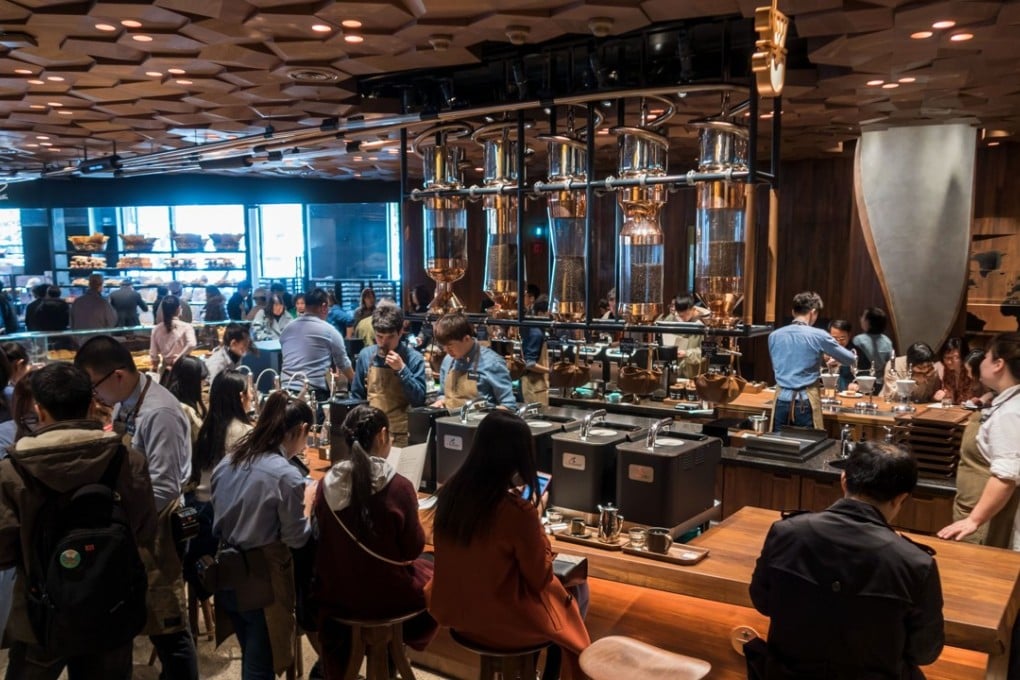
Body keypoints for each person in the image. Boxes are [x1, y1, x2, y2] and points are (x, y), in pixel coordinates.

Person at [0, 363, 157, 680]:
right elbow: (144, 528)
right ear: (90, 405)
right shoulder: (126, 459)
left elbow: (3, 550)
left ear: (39, 411)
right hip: (112, 605)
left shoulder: (12, 471)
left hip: (41, 612)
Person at [748, 441, 944, 679]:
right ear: (900, 498)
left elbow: (762, 602)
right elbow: (924, 652)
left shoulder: (786, 532)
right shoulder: (916, 563)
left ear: (843, 480)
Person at [427, 411, 591, 680]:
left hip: (456, 612)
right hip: (500, 623)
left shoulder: (450, 494)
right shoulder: (517, 512)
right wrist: (536, 523)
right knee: (577, 589)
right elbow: (539, 577)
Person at [74, 335, 200, 680]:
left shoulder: (159, 411)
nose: (93, 394)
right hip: (137, 523)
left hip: (158, 526)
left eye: (93, 385)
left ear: (117, 375)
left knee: (168, 624)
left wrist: (121, 525)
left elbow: (164, 487)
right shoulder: (125, 402)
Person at [314, 406, 438, 677]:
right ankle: (394, 656)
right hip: (387, 597)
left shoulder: (326, 485)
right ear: (383, 436)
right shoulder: (399, 486)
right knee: (435, 573)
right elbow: (413, 549)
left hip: (339, 595)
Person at [211, 391, 315, 678]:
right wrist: (308, 513)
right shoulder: (286, 475)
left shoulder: (230, 460)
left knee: (251, 652)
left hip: (227, 568)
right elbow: (296, 539)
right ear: (302, 429)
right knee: (260, 666)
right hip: (263, 579)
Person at [939, 333, 1020, 548]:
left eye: (986, 357)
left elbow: (1006, 476)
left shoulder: (1010, 413)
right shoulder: (1007, 401)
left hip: (989, 520)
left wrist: (974, 520)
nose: (981, 362)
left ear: (998, 364)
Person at [185, 369, 253, 602]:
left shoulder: (208, 428)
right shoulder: (244, 433)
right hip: (221, 522)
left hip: (199, 513)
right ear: (241, 396)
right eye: (249, 392)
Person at [767, 292, 855, 430]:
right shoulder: (818, 335)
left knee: (780, 447)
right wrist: (829, 354)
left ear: (793, 311)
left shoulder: (774, 336)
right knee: (807, 447)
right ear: (813, 312)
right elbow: (849, 359)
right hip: (805, 401)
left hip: (781, 400)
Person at [350, 302, 427, 446]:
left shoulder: (414, 358)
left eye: (390, 337)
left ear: (400, 333)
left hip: (400, 434)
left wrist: (402, 369)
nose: (384, 343)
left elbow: (419, 401)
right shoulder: (366, 355)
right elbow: (357, 396)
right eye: (379, 336)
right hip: (371, 431)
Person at [280, 288, 354, 402]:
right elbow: (343, 363)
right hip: (313, 394)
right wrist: (357, 386)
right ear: (324, 306)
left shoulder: (287, 329)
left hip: (284, 392)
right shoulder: (329, 331)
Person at [429, 312, 516, 410]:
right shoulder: (448, 360)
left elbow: (509, 406)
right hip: (449, 423)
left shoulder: (492, 362)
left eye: (450, 345)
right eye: (443, 346)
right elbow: (442, 394)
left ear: (466, 339)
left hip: (479, 424)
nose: (446, 350)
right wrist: (441, 401)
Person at [150, 295, 197, 381]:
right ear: (178, 309)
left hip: (165, 370)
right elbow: (192, 344)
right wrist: (178, 358)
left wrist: (154, 368)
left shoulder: (156, 329)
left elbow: (154, 355)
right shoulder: (186, 327)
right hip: (184, 367)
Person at [658, 293, 706, 379]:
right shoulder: (674, 317)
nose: (681, 319)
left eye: (683, 316)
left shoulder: (704, 323)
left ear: (693, 309)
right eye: (679, 315)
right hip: (678, 371)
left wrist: (686, 353)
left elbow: (706, 353)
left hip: (696, 374)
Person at [852, 306, 895, 393]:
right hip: (882, 383)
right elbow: (891, 364)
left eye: (863, 317)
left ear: (868, 322)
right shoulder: (887, 341)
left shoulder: (859, 340)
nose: (861, 319)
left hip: (861, 382)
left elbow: (854, 364)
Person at [167, 355, 207, 446]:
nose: (204, 384)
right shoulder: (184, 409)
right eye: (201, 380)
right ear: (191, 382)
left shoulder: (171, 395)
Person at [521, 297, 551, 405]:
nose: (551, 318)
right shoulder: (536, 333)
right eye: (549, 314)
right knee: (536, 420)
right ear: (540, 313)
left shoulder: (537, 330)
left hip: (538, 386)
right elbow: (530, 364)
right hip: (533, 386)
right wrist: (550, 371)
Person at [937, 337, 980, 404]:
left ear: (963, 356)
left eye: (953, 358)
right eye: (946, 357)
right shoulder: (945, 369)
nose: (949, 362)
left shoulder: (971, 369)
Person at [826, 319, 855, 391]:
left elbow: (864, 375)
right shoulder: (822, 352)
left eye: (842, 338)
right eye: (834, 338)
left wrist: (857, 384)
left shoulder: (856, 353)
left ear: (849, 336)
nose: (838, 342)